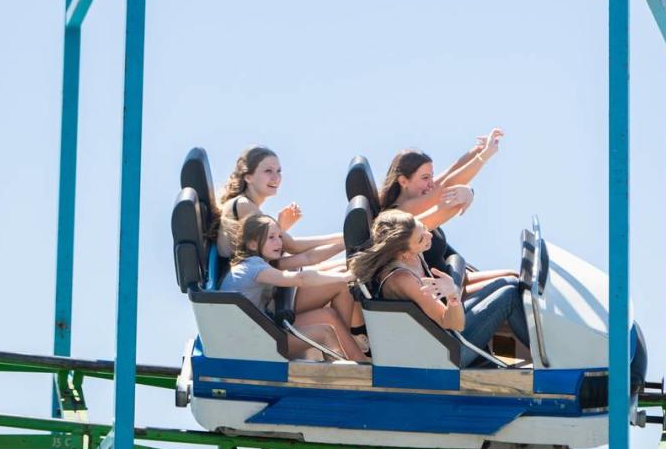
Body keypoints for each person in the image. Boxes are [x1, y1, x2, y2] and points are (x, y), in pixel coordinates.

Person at [216, 146, 368, 347]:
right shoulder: (244, 206)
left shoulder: (248, 208)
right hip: (265, 295)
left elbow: (297, 257)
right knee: (342, 281)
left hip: (270, 280)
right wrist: (349, 235)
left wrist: (348, 238)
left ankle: (348, 341)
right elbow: (294, 247)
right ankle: (348, 343)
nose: (276, 177)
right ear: (248, 176)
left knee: (344, 268)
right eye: (268, 171)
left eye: (279, 171)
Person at [349, 210, 529, 368]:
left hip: (442, 338)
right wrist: (452, 296)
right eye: (421, 238)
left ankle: (539, 349)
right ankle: (551, 363)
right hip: (444, 355)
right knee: (509, 296)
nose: (430, 236)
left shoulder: (411, 254)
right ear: (404, 253)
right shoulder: (403, 279)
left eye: (424, 228)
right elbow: (452, 323)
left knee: (508, 282)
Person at [378, 129, 518, 296]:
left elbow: (449, 173)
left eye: (431, 177)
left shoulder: (418, 197)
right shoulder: (400, 214)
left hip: (455, 279)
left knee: (515, 276)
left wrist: (477, 151)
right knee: (513, 285)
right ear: (403, 181)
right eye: (425, 178)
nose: (431, 183)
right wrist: (484, 157)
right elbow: (445, 188)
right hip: (444, 293)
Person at [222, 214, 368, 362]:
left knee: (328, 315)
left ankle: (354, 354)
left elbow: (309, 258)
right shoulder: (253, 267)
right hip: (258, 341)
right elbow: (301, 279)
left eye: (280, 236)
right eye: (271, 237)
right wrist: (346, 277)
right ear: (253, 244)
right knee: (326, 332)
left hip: (266, 327)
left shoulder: (264, 262)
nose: (279, 242)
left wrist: (347, 239)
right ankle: (351, 370)